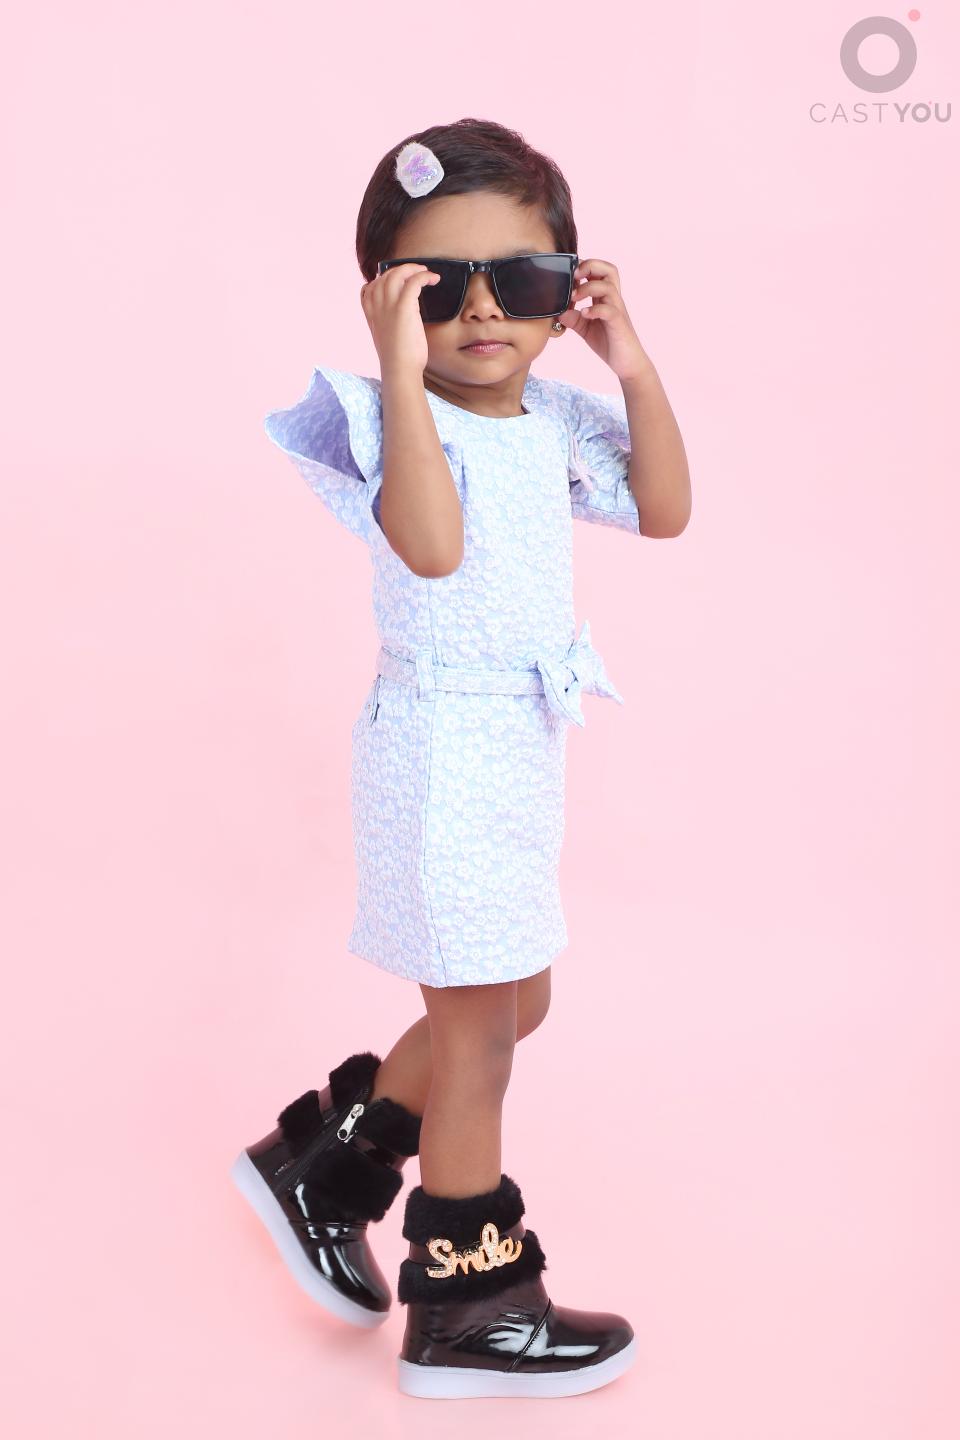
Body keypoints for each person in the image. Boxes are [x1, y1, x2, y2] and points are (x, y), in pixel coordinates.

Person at [231, 118, 691, 1400]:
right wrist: (397, 364)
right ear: (389, 295)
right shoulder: (396, 423)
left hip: (517, 749)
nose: (484, 308)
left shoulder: (552, 416)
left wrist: (631, 361)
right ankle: (469, 1308)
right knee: (480, 1033)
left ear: (565, 290)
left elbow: (664, 510)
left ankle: (328, 1163)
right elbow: (431, 550)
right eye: (441, 285)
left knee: (514, 1001)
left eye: (522, 278)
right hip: (441, 752)